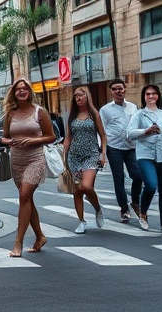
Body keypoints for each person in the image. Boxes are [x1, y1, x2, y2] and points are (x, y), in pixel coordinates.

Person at [1, 77, 55, 257]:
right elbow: (5, 137)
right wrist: (11, 141)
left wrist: (33, 140)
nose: (21, 91)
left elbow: (51, 136)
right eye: (18, 89)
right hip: (16, 161)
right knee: (27, 200)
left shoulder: (40, 112)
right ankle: (40, 236)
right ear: (14, 93)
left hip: (35, 159)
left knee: (24, 197)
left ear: (30, 91)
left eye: (24, 89)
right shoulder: (10, 114)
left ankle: (18, 243)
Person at [127, 85, 162, 233]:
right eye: (147, 94)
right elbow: (130, 133)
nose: (150, 96)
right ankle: (143, 213)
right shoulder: (139, 114)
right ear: (144, 97)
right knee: (151, 185)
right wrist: (146, 131)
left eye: (153, 94)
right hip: (145, 154)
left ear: (158, 96)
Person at [62, 86, 107, 234]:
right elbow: (68, 138)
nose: (78, 98)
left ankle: (98, 209)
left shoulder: (94, 114)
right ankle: (81, 221)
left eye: (81, 95)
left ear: (87, 96)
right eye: (76, 96)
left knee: (86, 186)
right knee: (77, 191)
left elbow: (103, 136)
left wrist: (103, 154)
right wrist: (64, 157)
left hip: (91, 154)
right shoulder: (72, 116)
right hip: (74, 156)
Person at [99, 78, 143, 222]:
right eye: (115, 89)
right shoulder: (105, 110)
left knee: (137, 175)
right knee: (119, 178)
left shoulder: (133, 107)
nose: (118, 91)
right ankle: (124, 208)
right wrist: (102, 151)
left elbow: (137, 126)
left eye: (120, 88)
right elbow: (101, 131)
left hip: (131, 147)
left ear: (125, 89)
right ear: (111, 92)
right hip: (114, 148)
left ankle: (135, 201)